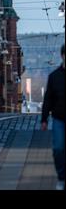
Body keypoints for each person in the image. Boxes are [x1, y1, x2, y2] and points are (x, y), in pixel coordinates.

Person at [41, 44, 65, 191]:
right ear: (62, 56)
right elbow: (48, 99)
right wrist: (44, 119)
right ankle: (62, 177)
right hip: (59, 119)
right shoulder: (54, 76)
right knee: (58, 149)